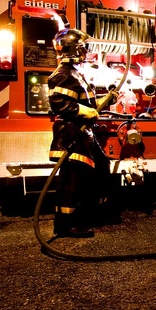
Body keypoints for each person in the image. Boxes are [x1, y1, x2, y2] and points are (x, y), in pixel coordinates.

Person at [48, 28, 115, 238]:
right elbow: (60, 104)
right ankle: (65, 225)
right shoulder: (62, 75)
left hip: (81, 134)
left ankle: (91, 211)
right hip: (70, 135)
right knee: (71, 181)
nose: (86, 51)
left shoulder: (76, 74)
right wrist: (88, 112)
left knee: (101, 166)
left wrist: (108, 100)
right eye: (83, 47)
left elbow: (86, 103)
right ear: (73, 49)